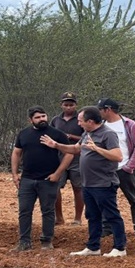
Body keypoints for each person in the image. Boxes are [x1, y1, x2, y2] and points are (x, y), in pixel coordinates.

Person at [41, 106, 127, 257]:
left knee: (111, 215)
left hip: (104, 184)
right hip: (88, 184)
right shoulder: (87, 133)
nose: (79, 124)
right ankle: (93, 247)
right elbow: (76, 149)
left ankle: (120, 248)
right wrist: (56, 145)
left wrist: (97, 149)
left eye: (81, 121)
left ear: (91, 121)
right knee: (92, 215)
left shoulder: (108, 134)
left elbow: (118, 156)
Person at [11, 106, 73, 251]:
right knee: (24, 211)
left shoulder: (56, 134)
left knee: (48, 211)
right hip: (26, 179)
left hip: (48, 179)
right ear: (31, 120)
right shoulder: (24, 134)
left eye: (43, 116)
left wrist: (58, 173)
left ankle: (46, 241)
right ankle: (24, 242)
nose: (42, 119)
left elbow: (69, 153)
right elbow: (16, 153)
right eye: (38, 117)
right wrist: (14, 174)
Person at [97, 98, 135, 237]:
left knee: (133, 198)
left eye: (100, 109)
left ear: (108, 109)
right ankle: (107, 227)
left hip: (125, 169)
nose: (99, 112)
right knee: (106, 199)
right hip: (107, 170)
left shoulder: (130, 125)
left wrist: (129, 167)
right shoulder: (101, 126)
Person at [50, 92, 84, 226]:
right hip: (60, 158)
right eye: (66, 105)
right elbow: (50, 136)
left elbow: (88, 137)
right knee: (55, 187)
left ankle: (78, 218)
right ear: (61, 105)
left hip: (78, 158)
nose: (68, 107)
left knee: (78, 187)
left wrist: (71, 136)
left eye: (71, 104)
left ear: (76, 105)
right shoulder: (56, 120)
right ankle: (59, 218)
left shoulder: (81, 119)